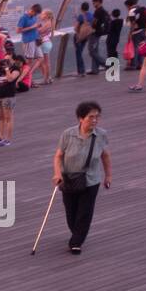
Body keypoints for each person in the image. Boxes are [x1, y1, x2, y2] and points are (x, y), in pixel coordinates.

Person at [52, 101, 111, 254]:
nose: (95, 120)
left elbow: (105, 156)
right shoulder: (68, 134)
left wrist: (108, 176)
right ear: (80, 118)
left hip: (91, 179)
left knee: (85, 211)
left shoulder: (101, 134)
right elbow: (58, 156)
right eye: (91, 117)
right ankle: (77, 232)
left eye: (97, 117)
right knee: (71, 211)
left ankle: (76, 241)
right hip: (68, 178)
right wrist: (57, 173)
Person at [0, 56, 22, 146]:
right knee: (1, 118)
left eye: (8, 60)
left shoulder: (16, 69)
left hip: (8, 97)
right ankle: (1, 137)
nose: (6, 62)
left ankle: (8, 139)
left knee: (8, 118)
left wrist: (7, 69)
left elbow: (10, 78)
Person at [126, 0, 146, 71]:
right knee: (142, 47)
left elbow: (133, 24)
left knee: (135, 48)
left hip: (137, 32)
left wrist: (130, 34)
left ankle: (133, 65)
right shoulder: (145, 9)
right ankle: (140, 64)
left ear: (128, 5)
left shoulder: (132, 11)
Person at [89, 0, 111, 72]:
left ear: (98, 2)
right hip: (99, 32)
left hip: (95, 32)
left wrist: (91, 26)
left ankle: (106, 64)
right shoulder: (104, 11)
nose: (93, 4)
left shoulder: (98, 11)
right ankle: (94, 69)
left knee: (92, 51)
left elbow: (94, 22)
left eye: (94, 2)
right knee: (95, 50)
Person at [73, 1, 94, 76]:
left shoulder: (81, 16)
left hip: (79, 36)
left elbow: (76, 28)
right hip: (86, 37)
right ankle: (81, 71)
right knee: (80, 52)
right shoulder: (91, 15)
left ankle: (81, 71)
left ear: (81, 8)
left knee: (78, 53)